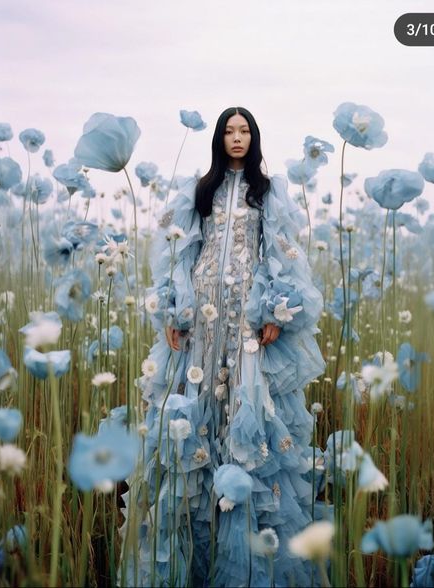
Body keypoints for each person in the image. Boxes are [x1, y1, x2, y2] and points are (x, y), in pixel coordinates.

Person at [118, 107, 326, 588]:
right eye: (229, 131)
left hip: (244, 318)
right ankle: (189, 550)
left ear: (254, 138)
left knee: (244, 413)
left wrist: (275, 311)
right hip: (200, 320)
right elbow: (178, 252)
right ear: (218, 138)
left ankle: (248, 552)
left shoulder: (267, 192)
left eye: (244, 131)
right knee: (193, 413)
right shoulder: (200, 188)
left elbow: (280, 253)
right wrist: (174, 310)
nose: (237, 138)